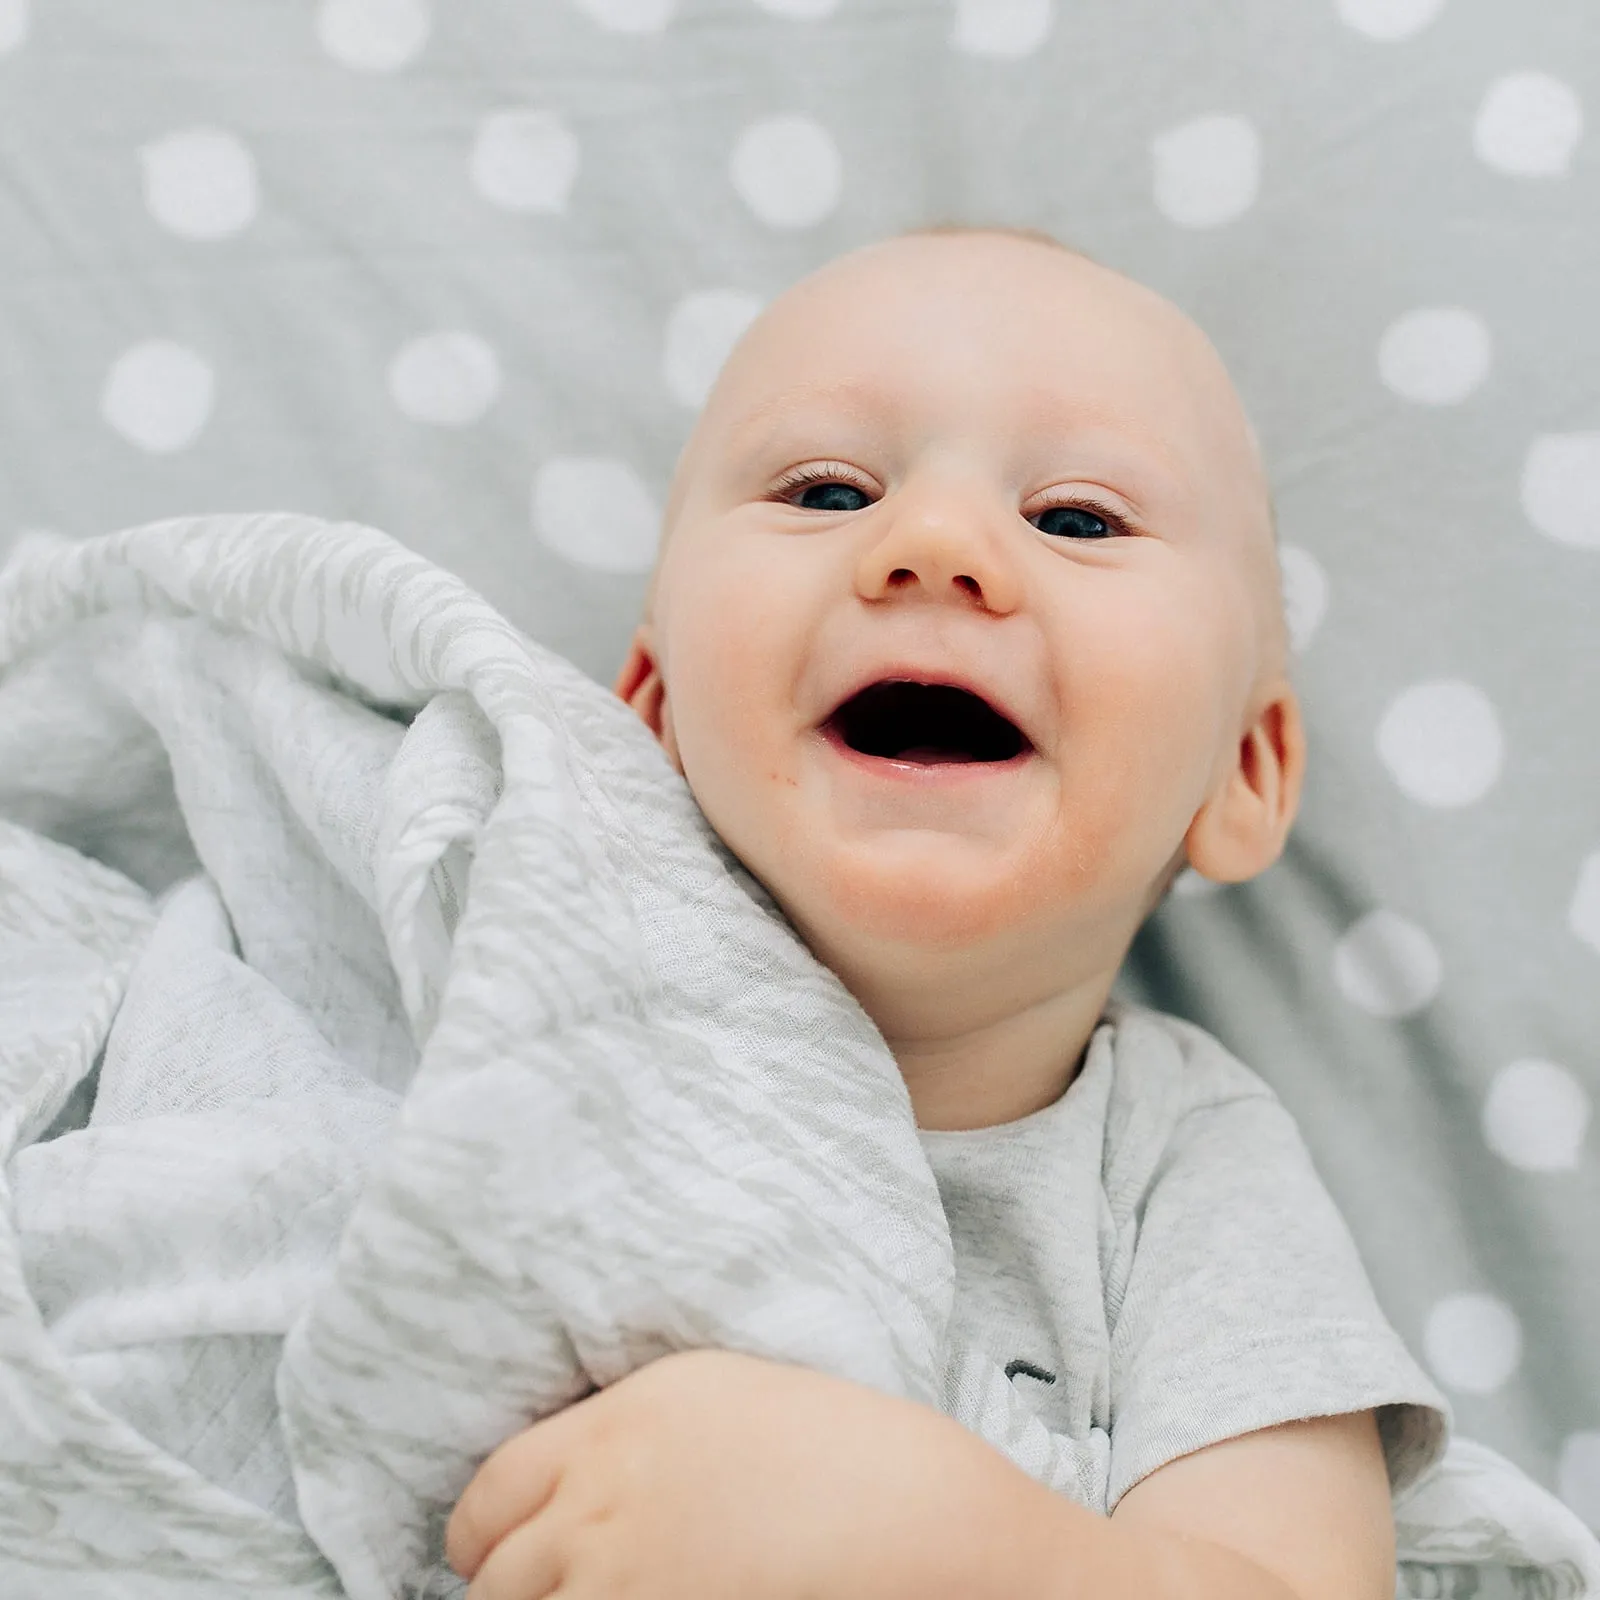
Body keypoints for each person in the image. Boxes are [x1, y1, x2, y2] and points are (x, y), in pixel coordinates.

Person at [445, 227, 1449, 1600]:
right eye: (825, 489)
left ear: (1242, 769)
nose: (930, 544)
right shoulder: (497, 954)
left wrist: (941, 1542)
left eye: (1078, 518)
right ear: (652, 713)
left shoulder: (1176, 1179)